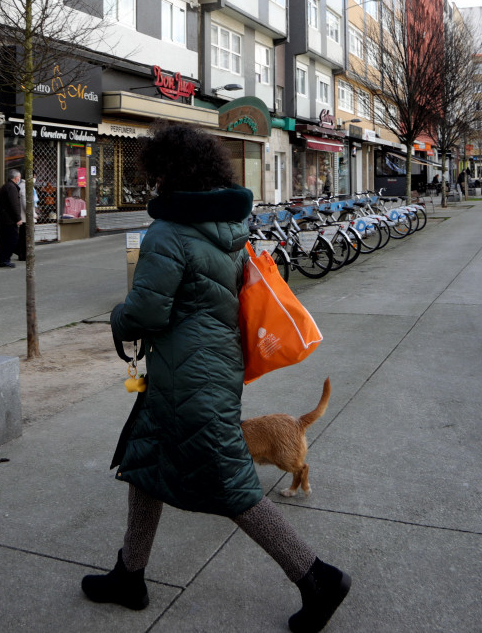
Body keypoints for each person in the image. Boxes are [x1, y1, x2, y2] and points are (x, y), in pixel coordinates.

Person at [82, 122, 351, 633]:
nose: (153, 185)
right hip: (210, 367)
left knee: (232, 484)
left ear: (168, 175)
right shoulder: (228, 227)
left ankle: (317, 577)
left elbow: (146, 314)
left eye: (156, 175)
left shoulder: (167, 234)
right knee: (147, 464)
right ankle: (130, 573)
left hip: (189, 378)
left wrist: (119, 317)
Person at [0, 169, 23, 268]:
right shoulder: (11, 187)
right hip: (8, 220)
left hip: (4, 219)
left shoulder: (6, 186)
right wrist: (18, 218)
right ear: (16, 178)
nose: (19, 179)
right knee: (12, 239)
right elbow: (13, 204)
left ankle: (4, 260)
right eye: (19, 177)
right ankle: (6, 259)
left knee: (5, 241)